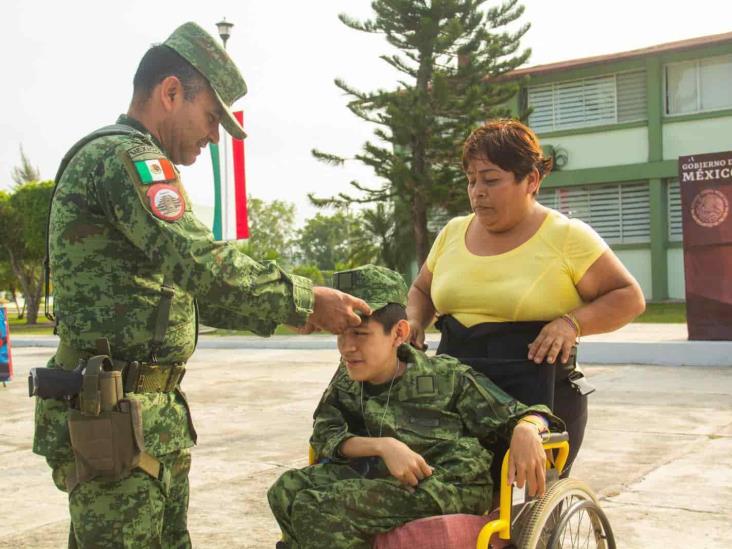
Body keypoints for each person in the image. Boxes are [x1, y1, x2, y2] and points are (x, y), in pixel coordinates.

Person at [32, 22, 370, 548]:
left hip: (140, 416)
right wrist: (305, 297)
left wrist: (291, 313)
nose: (214, 136)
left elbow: (181, 292)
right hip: (113, 416)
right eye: (212, 117)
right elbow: (200, 264)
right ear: (170, 93)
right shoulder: (130, 160)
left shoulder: (130, 159)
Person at [407, 119, 646, 475]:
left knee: (512, 515)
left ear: (531, 180)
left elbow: (628, 297)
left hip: (536, 399)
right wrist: (414, 321)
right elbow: (422, 289)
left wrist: (571, 323)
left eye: (490, 179)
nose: (477, 191)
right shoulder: (453, 233)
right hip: (455, 394)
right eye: (471, 180)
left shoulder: (566, 236)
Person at [268, 265, 563, 549]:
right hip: (380, 475)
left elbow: (519, 413)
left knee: (318, 508)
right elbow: (325, 433)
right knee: (285, 490)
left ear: (399, 333)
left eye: (360, 334)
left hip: (446, 482)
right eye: (341, 334)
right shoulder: (348, 376)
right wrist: (383, 446)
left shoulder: (446, 376)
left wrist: (528, 427)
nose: (347, 347)